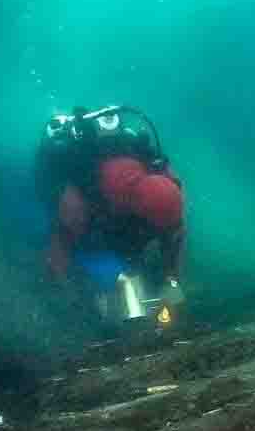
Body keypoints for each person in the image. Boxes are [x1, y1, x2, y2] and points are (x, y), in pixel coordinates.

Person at [35, 105, 186, 324]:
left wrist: (171, 280)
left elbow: (175, 231)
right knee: (109, 268)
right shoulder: (79, 202)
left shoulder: (164, 181)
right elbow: (61, 245)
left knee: (150, 254)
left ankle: (133, 277)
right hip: (98, 226)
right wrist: (66, 295)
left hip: (123, 221)